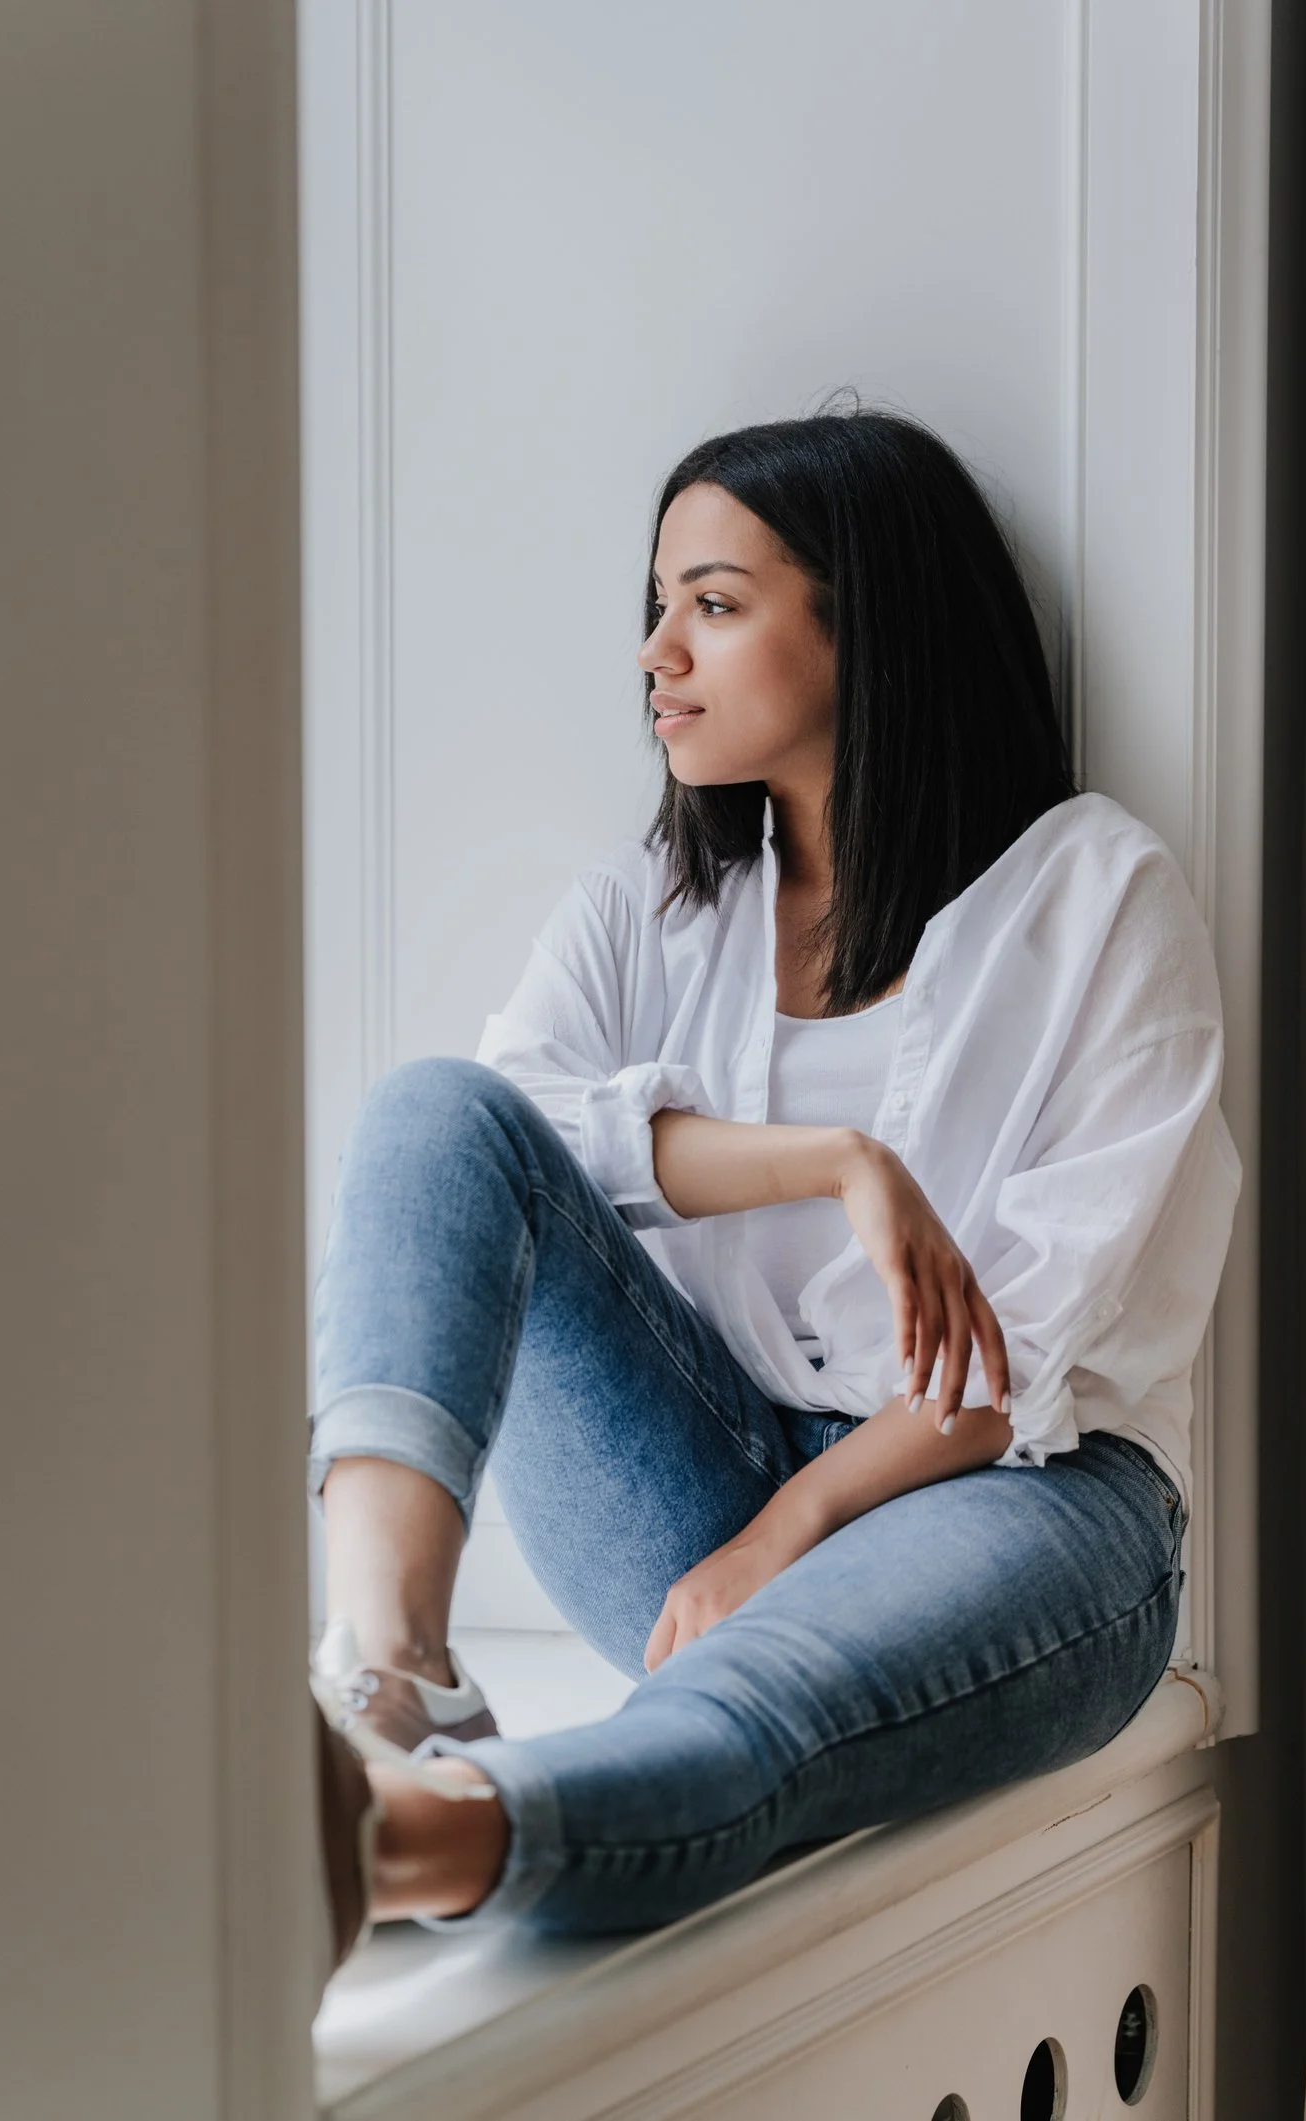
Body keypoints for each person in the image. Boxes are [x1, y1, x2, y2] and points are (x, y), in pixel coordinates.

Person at [308, 407, 1241, 1974]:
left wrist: (783, 1535)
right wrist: (827, 1160)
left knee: (757, 1709)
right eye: (656, 602)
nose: (656, 651)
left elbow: (1019, 1356)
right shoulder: (651, 905)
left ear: (865, 628)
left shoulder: (1091, 894)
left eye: (715, 603)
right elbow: (509, 1134)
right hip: (702, 1475)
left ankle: (376, 1851)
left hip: (1020, 1504)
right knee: (432, 1110)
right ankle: (388, 1680)